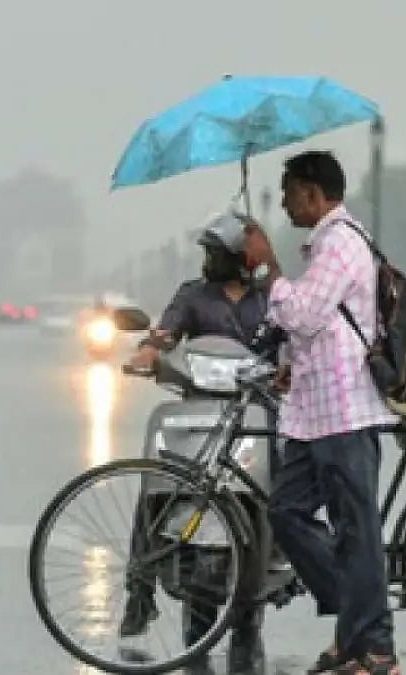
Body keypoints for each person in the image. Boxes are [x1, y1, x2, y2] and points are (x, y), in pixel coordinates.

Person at [244, 150, 402, 675]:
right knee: (286, 511)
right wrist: (290, 361)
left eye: (290, 192)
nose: (286, 203)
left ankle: (376, 648)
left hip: (346, 410)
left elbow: (305, 314)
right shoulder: (323, 246)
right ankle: (353, 622)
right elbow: (319, 325)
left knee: (357, 530)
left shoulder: (339, 242)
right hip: (314, 411)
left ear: (314, 193)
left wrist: (268, 268)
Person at [120, 210, 273, 672]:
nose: (208, 261)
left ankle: (257, 604)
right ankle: (140, 586)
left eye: (217, 253)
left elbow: (293, 343)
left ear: (241, 258)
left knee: (271, 501)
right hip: (197, 414)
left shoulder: (271, 300)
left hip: (253, 417)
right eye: (206, 253)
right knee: (155, 490)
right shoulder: (192, 296)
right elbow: (164, 332)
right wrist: (149, 351)